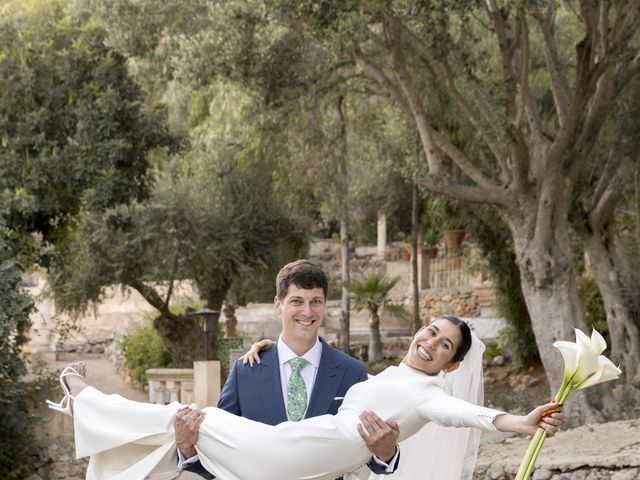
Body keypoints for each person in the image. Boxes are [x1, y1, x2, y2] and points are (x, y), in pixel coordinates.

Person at [49, 316, 564, 480]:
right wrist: (273, 350)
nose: (429, 342)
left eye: (443, 344)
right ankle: (87, 409)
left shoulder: (431, 392)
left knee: (196, 415)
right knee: (182, 426)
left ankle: (82, 399)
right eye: (429, 331)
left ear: (452, 364)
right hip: (293, 445)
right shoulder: (383, 374)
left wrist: (517, 422)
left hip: (299, 455)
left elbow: (461, 413)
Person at [176, 260, 400, 479]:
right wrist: (187, 449)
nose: (307, 311)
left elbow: (367, 455)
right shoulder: (245, 372)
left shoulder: (352, 372)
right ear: (277, 304)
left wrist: (386, 453)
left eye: (316, 301)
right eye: (296, 301)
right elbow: (221, 459)